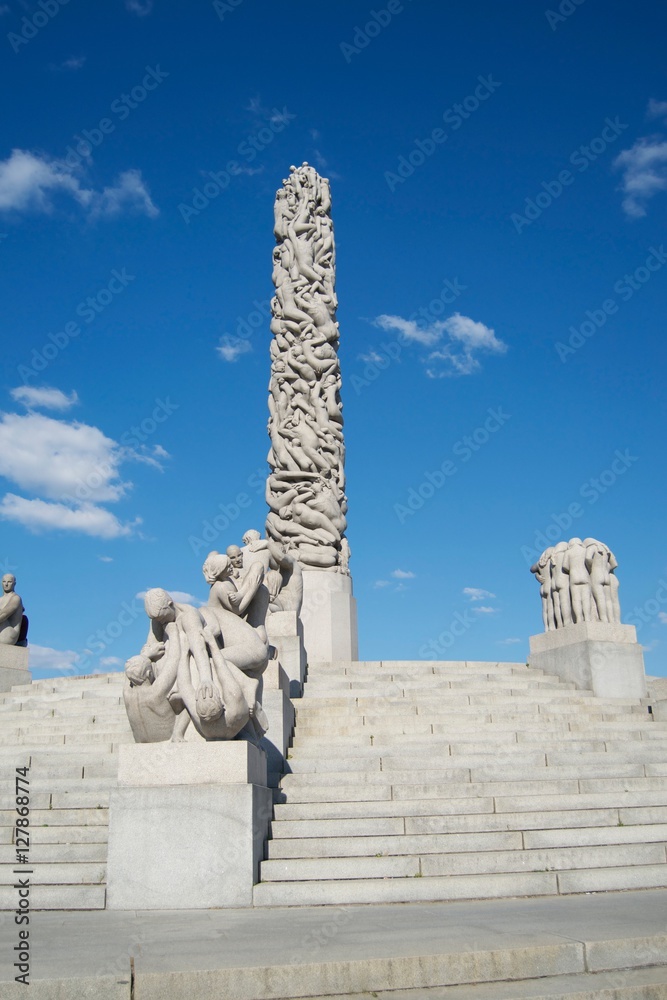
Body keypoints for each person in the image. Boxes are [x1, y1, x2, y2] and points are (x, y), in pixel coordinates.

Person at [0, 574, 24, 645]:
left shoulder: (15, 598)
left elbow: (3, 615)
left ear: (14, 583)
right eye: (4, 581)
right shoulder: (0, 599)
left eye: (9, 582)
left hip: (8, 636)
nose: (6, 584)